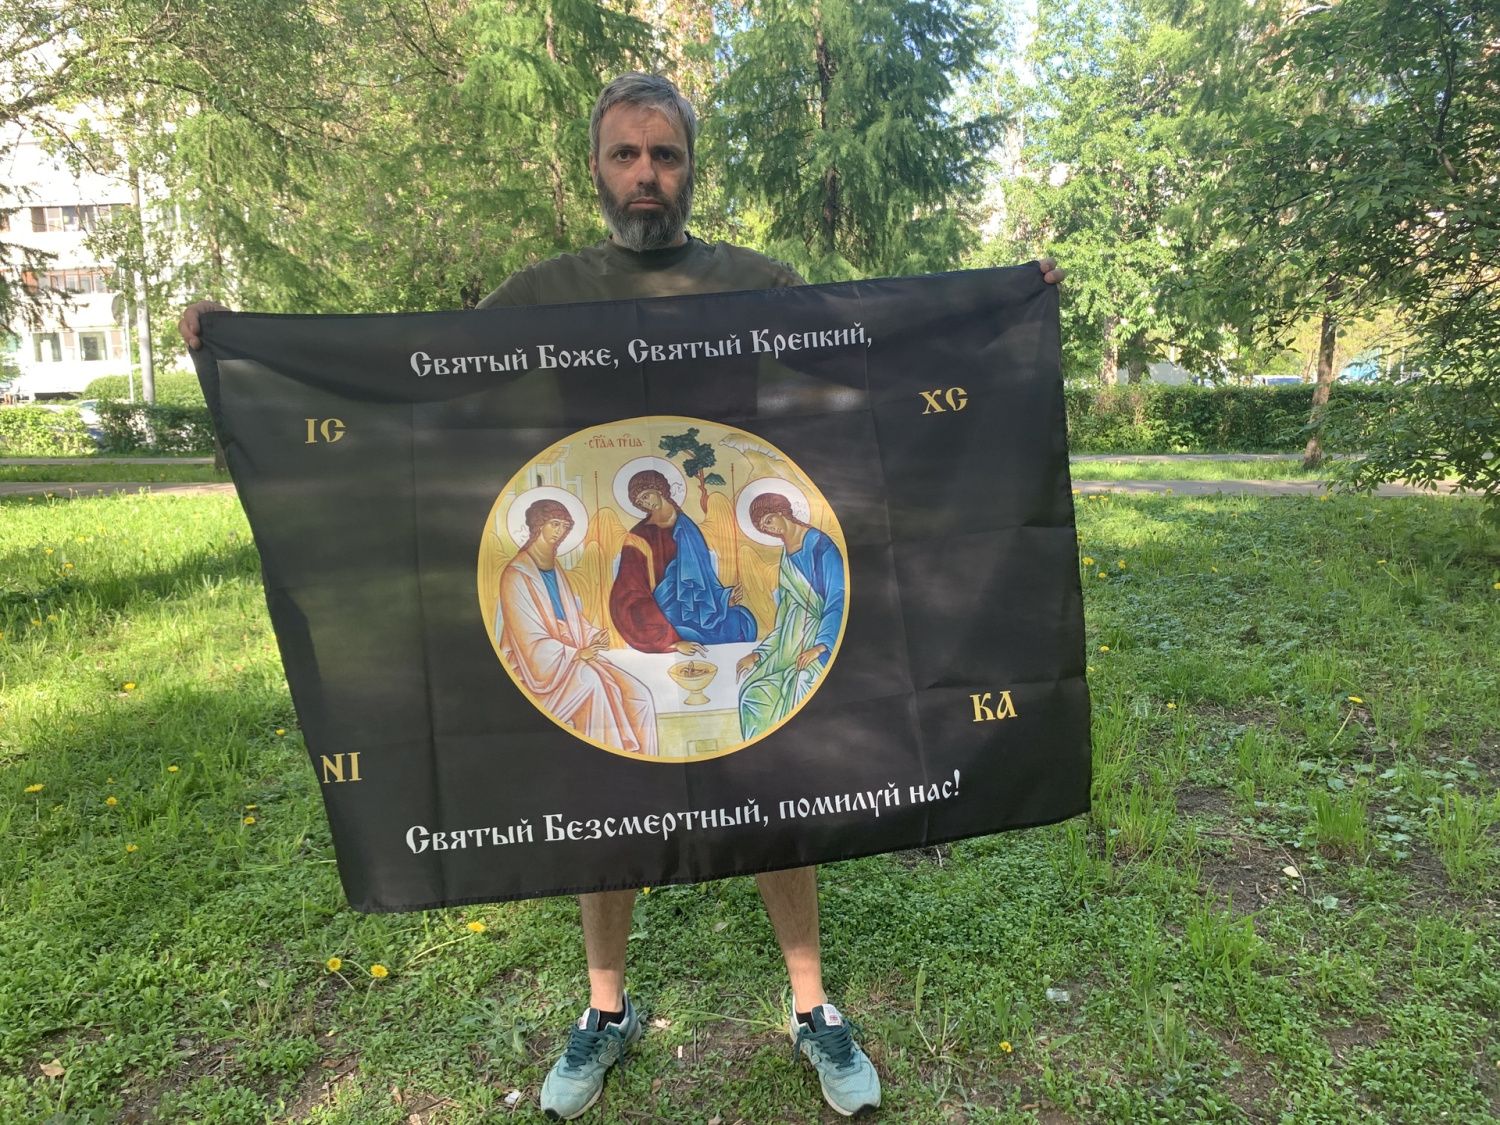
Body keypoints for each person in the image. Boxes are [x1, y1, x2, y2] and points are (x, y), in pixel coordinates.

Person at [179, 71, 1064, 1122]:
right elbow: (419, 375)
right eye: (627, 154)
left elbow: (868, 356)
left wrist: (1001, 312)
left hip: (714, 560)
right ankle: (605, 1009)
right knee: (604, 798)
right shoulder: (545, 293)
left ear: (690, 169)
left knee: (778, 789)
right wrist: (247, 346)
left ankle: (811, 1005)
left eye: (666, 155)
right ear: (596, 169)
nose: (647, 174)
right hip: (611, 578)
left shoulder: (752, 281)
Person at [498, 499, 658, 756]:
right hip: (540, 667)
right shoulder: (516, 575)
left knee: (639, 695)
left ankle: (645, 760)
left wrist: (593, 634)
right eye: (554, 524)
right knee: (592, 684)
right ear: (538, 524)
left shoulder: (555, 568)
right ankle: (611, 761)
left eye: (564, 526)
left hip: (572, 657)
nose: (560, 531)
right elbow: (527, 638)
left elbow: (571, 618)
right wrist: (576, 653)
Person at [610, 467, 756, 653]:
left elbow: (704, 576)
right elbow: (629, 592)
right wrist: (670, 641)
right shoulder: (637, 537)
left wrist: (723, 599)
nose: (646, 503)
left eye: (646, 496)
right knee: (688, 634)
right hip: (661, 614)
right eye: (640, 502)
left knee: (742, 621)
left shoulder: (687, 526)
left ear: (659, 489)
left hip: (697, 609)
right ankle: (673, 640)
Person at [736, 491, 844, 740]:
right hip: (790, 645)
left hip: (823, 640)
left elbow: (838, 598)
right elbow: (785, 617)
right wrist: (760, 654)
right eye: (763, 528)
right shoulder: (786, 557)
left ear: (781, 512)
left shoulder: (821, 547)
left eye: (768, 521)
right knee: (752, 695)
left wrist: (821, 646)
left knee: (802, 684)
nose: (769, 529)